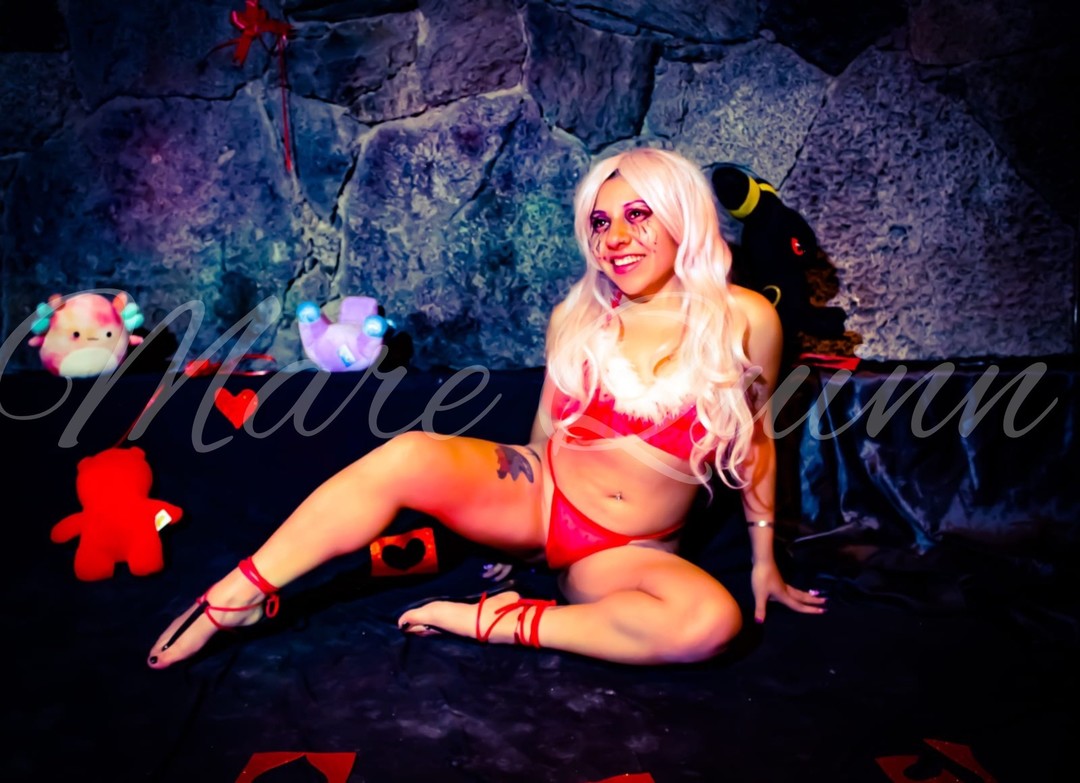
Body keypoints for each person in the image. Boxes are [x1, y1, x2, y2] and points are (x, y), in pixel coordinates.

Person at [147, 147, 825, 669]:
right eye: (600, 222)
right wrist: (506, 533)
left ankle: (492, 620)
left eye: (637, 215)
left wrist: (764, 560)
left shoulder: (745, 319)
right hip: (543, 500)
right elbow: (544, 435)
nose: (615, 237)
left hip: (627, 553)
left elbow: (757, 441)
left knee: (710, 621)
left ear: (683, 217)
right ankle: (235, 596)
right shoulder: (578, 316)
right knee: (409, 453)